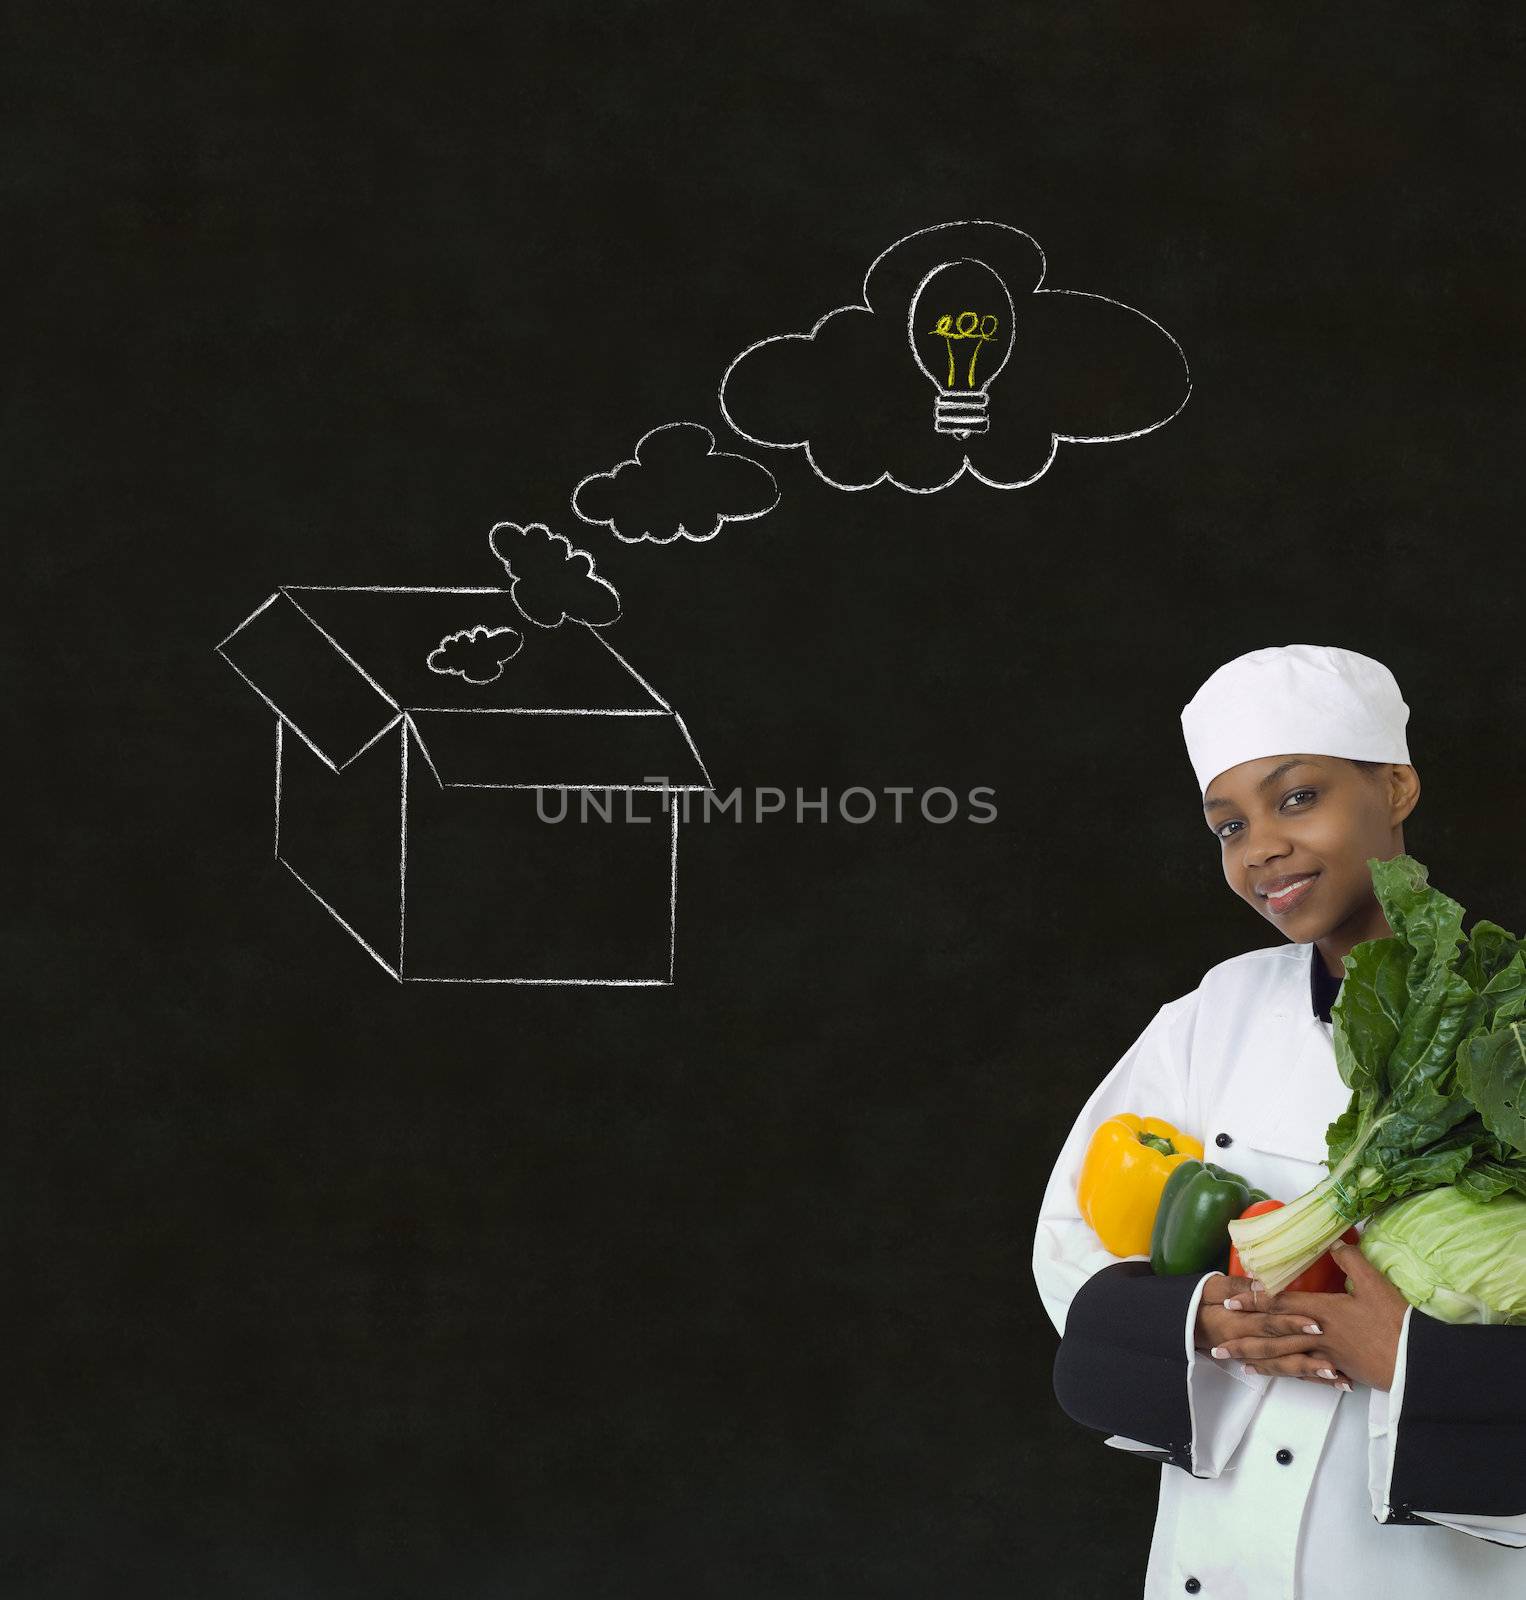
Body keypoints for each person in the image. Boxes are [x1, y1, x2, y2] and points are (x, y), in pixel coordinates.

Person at [1032, 643, 1525, 1600]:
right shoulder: (1209, 1016)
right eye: (1228, 825)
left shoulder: (1510, 1025)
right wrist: (1195, 1320)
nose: (1259, 847)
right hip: (1215, 1559)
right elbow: (1068, 1238)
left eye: (1297, 797)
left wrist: (1421, 1363)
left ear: (1395, 786)